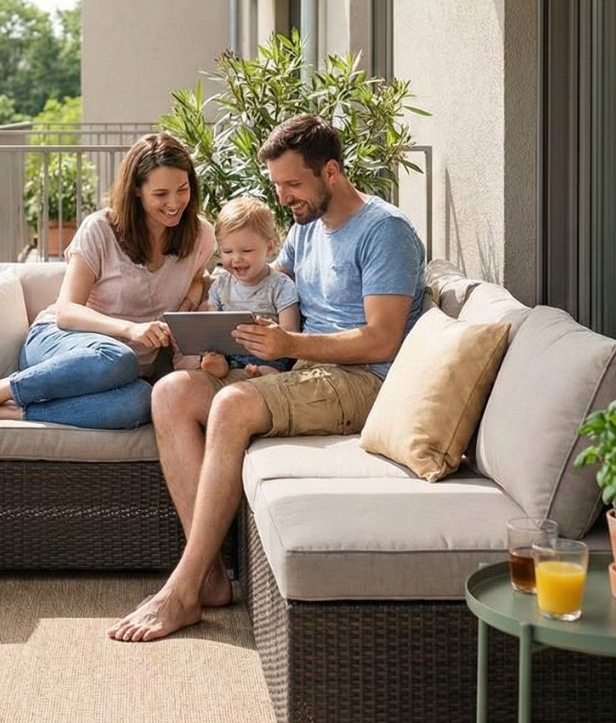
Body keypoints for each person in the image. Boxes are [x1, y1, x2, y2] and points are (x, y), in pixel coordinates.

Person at [107, 113, 426, 641]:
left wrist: (289, 346)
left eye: (293, 184)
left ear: (331, 172)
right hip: (303, 371)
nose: (284, 198)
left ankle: (181, 592)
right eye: (277, 185)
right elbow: (275, 292)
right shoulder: (306, 229)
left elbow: (382, 339)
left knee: (231, 406)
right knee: (172, 392)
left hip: (363, 379)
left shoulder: (383, 232)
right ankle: (208, 576)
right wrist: (218, 317)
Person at [0, 132, 215, 429]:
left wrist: (191, 300)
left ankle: (9, 412)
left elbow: (197, 275)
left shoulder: (199, 235)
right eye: (161, 194)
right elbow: (67, 311)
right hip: (61, 346)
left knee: (143, 400)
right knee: (120, 356)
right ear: (136, 191)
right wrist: (131, 329)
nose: (175, 203)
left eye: (182, 189)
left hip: (126, 374)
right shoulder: (100, 229)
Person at [199, 196, 300, 380]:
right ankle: (219, 366)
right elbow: (212, 328)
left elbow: (290, 335)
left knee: (272, 371)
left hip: (269, 357)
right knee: (214, 355)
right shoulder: (221, 285)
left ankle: (261, 373)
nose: (236, 259)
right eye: (228, 251)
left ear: (270, 247)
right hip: (231, 354)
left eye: (246, 251)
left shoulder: (281, 285)